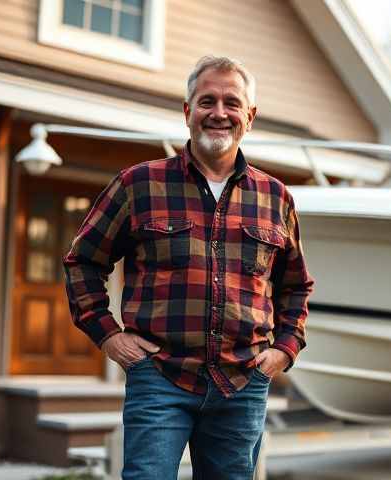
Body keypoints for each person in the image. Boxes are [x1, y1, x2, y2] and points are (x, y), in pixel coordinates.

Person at [63, 55, 314, 479]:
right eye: (207, 101)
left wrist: (284, 350)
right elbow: (83, 262)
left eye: (232, 103)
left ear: (249, 117)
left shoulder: (276, 198)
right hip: (159, 378)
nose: (219, 113)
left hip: (242, 382)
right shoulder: (138, 185)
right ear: (187, 112)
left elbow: (294, 286)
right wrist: (108, 337)